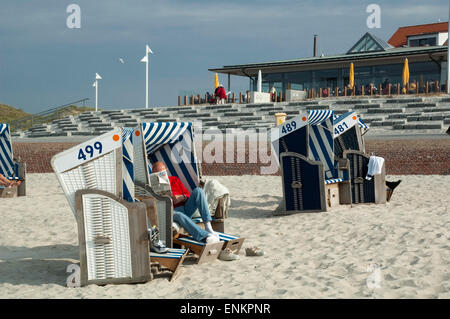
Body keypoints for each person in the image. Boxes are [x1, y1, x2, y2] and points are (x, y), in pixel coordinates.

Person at [152, 162, 220, 244]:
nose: (160, 176)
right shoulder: (151, 187)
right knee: (179, 215)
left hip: (185, 209)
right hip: (170, 212)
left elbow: (188, 195)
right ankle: (205, 236)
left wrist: (182, 197)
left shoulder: (174, 180)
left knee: (198, 191)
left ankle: (208, 226)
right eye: (157, 174)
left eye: (162, 173)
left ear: (166, 170)